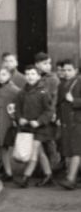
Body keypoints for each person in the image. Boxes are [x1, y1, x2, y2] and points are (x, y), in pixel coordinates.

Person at [14, 66, 55, 188]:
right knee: (40, 152)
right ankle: (48, 175)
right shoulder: (21, 93)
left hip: (40, 128)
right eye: (27, 74)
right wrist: (19, 118)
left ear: (38, 76)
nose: (30, 76)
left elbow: (49, 111)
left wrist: (39, 121)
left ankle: (25, 177)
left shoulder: (44, 92)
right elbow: (17, 109)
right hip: (27, 128)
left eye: (32, 74)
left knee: (34, 151)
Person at [34, 52, 61, 170]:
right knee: (41, 140)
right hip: (37, 113)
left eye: (49, 63)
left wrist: (53, 112)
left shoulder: (53, 79)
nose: (48, 66)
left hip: (48, 113)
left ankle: (52, 167)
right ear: (37, 65)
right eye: (45, 63)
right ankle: (43, 168)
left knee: (49, 141)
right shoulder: (35, 76)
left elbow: (56, 97)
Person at [56, 61, 81, 189]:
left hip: (77, 122)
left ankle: (71, 179)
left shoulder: (79, 82)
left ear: (76, 70)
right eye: (64, 70)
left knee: (76, 150)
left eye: (69, 70)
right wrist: (58, 117)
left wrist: (74, 101)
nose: (66, 73)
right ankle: (73, 176)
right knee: (70, 150)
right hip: (66, 122)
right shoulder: (62, 85)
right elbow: (59, 103)